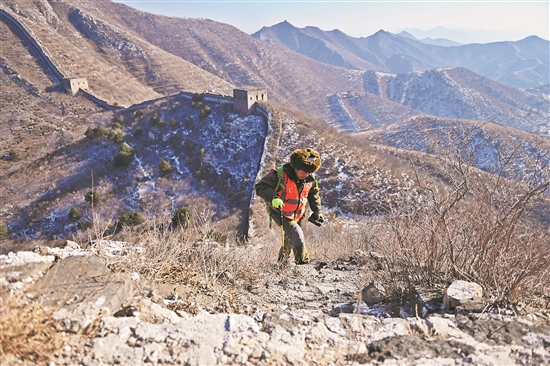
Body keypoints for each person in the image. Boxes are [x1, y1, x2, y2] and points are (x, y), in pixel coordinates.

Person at [255, 148, 324, 264]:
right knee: (297, 233)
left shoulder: (310, 178)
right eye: (303, 172)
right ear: (295, 168)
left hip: (298, 214)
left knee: (290, 238)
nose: (306, 175)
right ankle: (303, 264)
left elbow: (313, 195)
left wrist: (317, 212)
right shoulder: (279, 175)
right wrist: (274, 198)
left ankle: (281, 264)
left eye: (309, 172)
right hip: (280, 212)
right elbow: (260, 187)